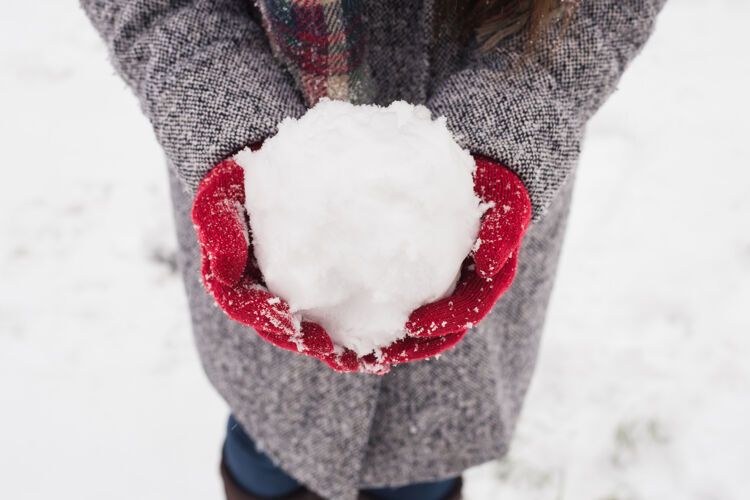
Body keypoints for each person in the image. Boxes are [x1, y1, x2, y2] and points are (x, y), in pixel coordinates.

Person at [80, 0, 667, 499]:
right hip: (265, 225)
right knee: (266, 445)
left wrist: (525, 112)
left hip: (475, 222)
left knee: (421, 466)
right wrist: (220, 113)